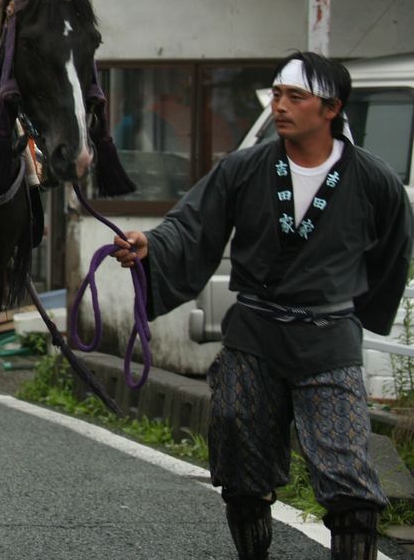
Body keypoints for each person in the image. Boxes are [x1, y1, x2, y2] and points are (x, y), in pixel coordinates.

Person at [113, 51, 413, 560]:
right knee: (241, 466)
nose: (280, 106)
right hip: (254, 334)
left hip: (328, 339)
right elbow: (194, 225)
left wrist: (355, 315)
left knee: (351, 485)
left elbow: (392, 252)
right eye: (276, 94)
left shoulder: (373, 179)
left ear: (331, 108)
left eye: (296, 97)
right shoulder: (244, 167)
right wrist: (151, 247)